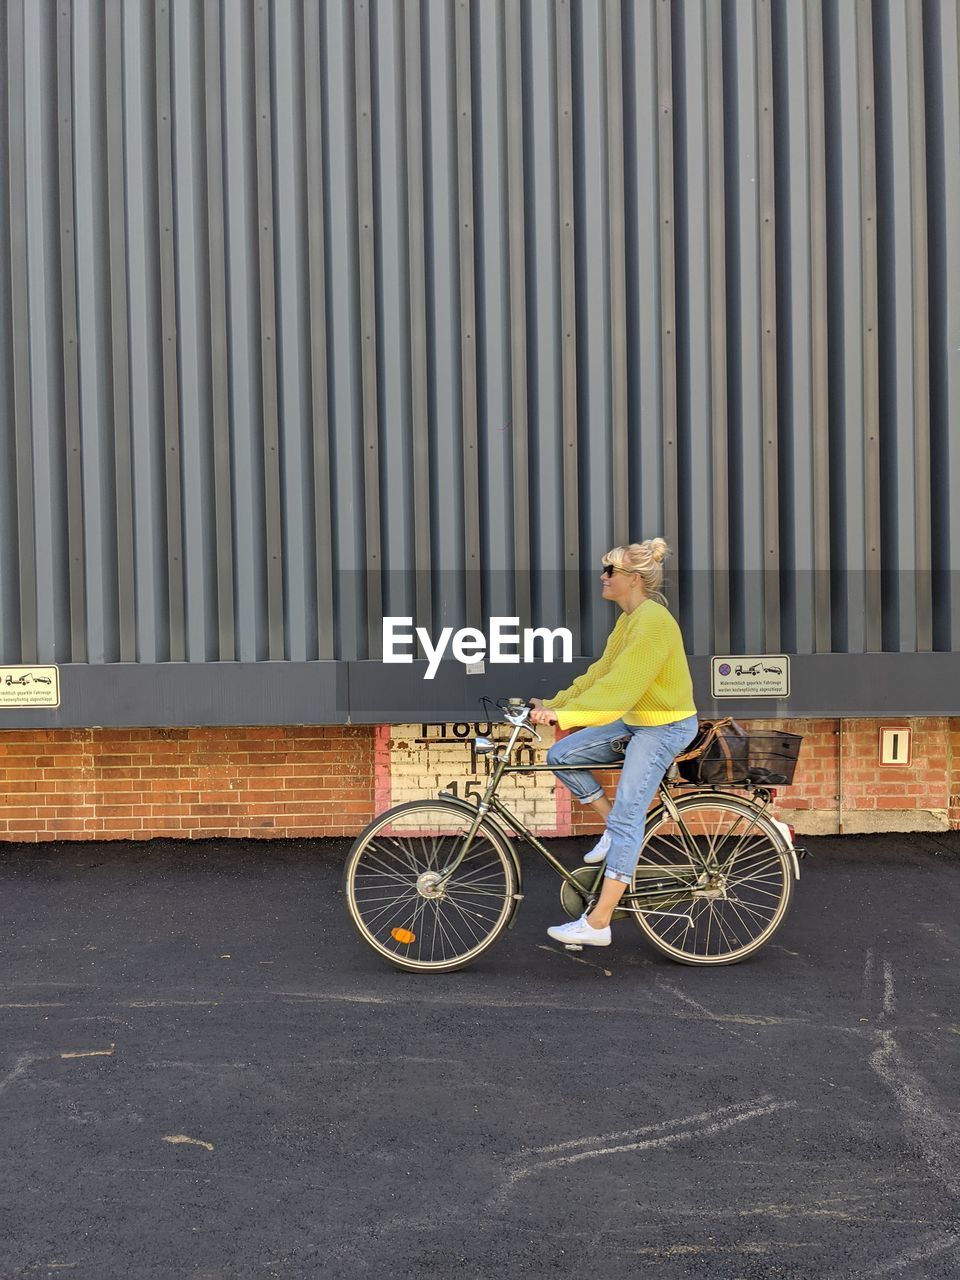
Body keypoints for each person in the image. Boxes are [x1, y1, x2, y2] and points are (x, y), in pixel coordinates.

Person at [529, 539, 698, 947]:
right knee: (562, 754)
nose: (603, 577)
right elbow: (600, 675)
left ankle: (599, 921)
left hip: (664, 727)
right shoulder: (629, 620)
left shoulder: (653, 623)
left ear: (634, 579)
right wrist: (554, 704)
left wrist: (565, 716)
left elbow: (620, 690)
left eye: (611, 571)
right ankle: (616, 828)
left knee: (628, 819)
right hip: (638, 721)